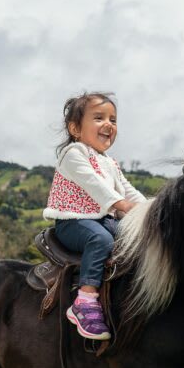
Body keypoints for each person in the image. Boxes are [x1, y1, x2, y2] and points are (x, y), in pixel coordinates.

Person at [43, 92, 146, 340]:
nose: (108, 124)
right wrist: (121, 204)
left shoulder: (109, 162)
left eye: (113, 119)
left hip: (104, 220)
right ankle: (85, 301)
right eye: (99, 118)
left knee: (136, 240)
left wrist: (149, 210)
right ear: (75, 128)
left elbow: (127, 188)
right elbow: (96, 187)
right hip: (74, 223)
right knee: (101, 241)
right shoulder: (73, 153)